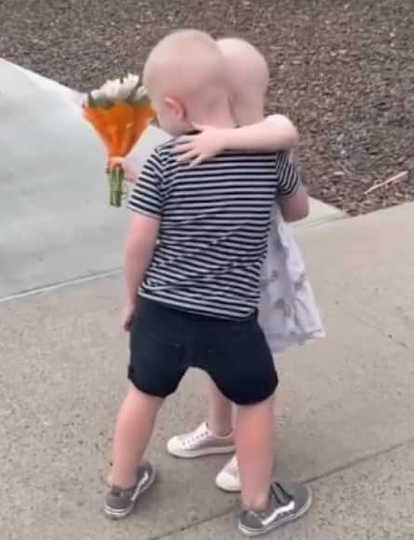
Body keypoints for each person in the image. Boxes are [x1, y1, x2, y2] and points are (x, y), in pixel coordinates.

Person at [103, 29, 313, 537]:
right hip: (229, 321)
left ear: (175, 105)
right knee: (255, 399)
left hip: (160, 313)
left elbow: (140, 243)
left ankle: (120, 486)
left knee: (143, 392)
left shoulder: (163, 161)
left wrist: (131, 297)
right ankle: (259, 504)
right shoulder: (269, 160)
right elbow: (299, 210)